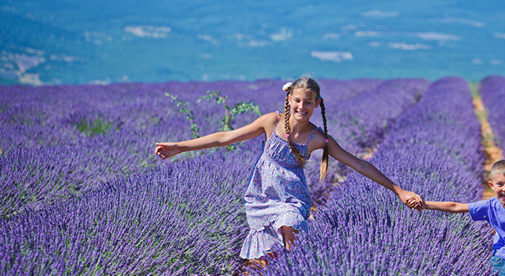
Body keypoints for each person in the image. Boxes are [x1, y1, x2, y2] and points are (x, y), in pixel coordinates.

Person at [155, 76, 424, 263]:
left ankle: (296, 275)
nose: (301, 107)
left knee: (289, 224)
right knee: (272, 255)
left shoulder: (318, 138)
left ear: (317, 104)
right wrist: (180, 146)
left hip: (292, 199)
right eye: (297, 100)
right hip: (261, 197)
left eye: (308, 102)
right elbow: (226, 137)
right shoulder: (271, 122)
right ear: (289, 98)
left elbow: (359, 163)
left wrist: (398, 190)